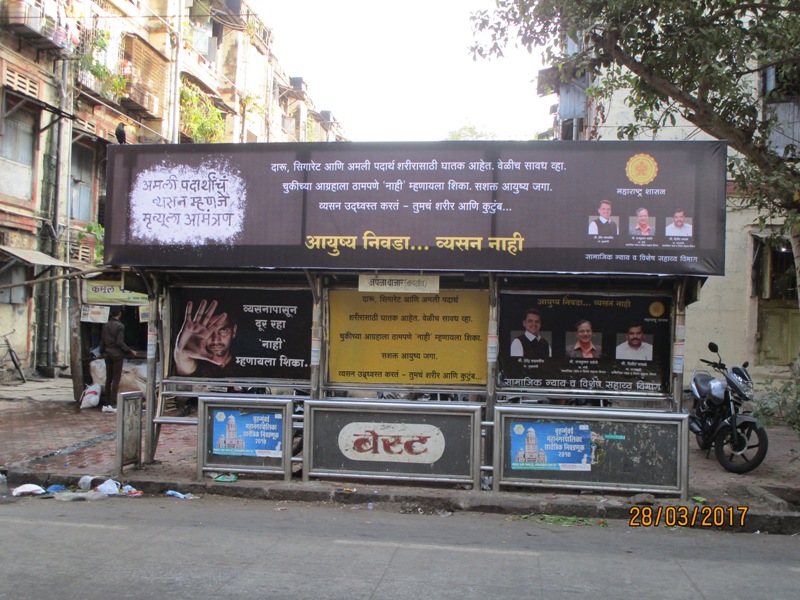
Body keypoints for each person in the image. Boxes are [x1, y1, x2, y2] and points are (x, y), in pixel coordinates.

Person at [173, 299, 244, 377]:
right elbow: (183, 368)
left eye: (223, 330)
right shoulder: (196, 364)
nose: (216, 339)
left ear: (234, 331)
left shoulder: (245, 366)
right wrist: (181, 352)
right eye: (209, 332)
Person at [99, 308, 136, 413]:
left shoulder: (105, 326)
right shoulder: (120, 326)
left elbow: (103, 341)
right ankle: (113, 402)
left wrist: (101, 353)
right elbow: (119, 342)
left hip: (107, 354)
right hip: (117, 355)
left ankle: (107, 402)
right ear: (119, 314)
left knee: (108, 379)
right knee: (116, 379)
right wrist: (130, 351)